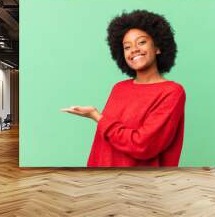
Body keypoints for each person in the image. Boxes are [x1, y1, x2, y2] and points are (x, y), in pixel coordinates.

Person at [61, 10, 186, 167]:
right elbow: (103, 144)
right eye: (127, 47)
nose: (133, 49)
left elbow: (143, 145)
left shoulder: (172, 92)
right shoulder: (119, 88)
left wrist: (97, 117)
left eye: (141, 42)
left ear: (158, 47)